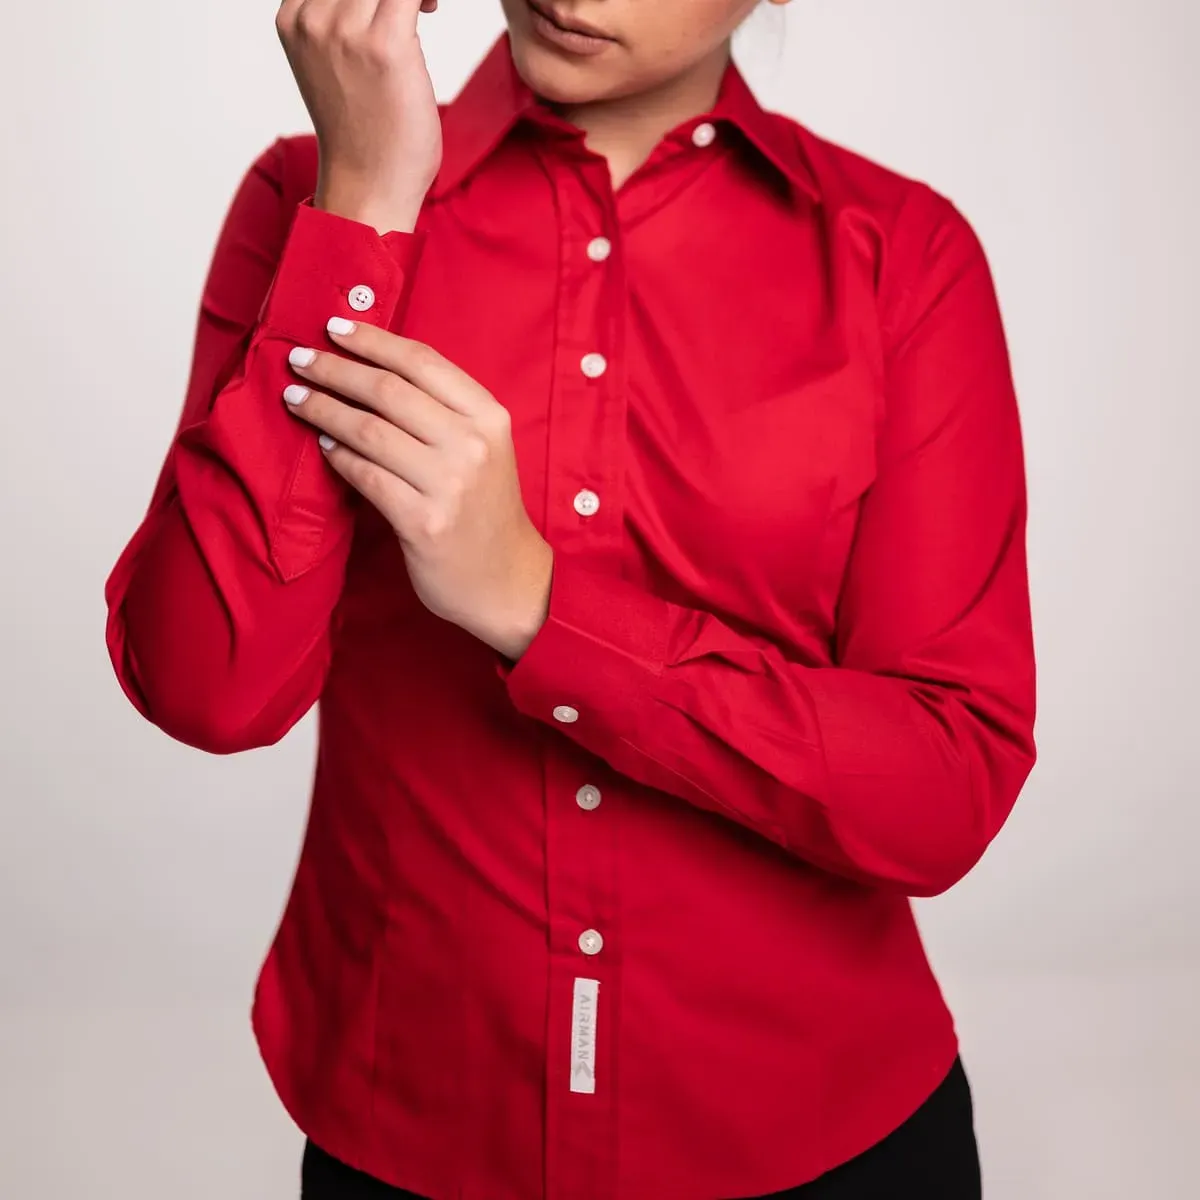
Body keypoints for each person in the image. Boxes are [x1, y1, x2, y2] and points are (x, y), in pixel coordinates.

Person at [104, 0, 1037, 1196]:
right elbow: (208, 686)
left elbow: (943, 781)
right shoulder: (312, 202)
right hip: (417, 1129)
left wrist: (543, 606)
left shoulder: (899, 254)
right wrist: (366, 209)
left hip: (818, 1138)